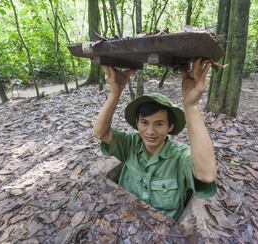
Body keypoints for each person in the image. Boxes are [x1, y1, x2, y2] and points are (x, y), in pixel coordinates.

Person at [93, 59, 217, 219]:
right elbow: (100, 133)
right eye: (144, 122)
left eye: (159, 124)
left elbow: (206, 175)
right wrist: (115, 92)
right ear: (137, 123)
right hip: (124, 221)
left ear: (170, 127)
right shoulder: (130, 144)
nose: (150, 131)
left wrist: (191, 106)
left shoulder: (180, 157)